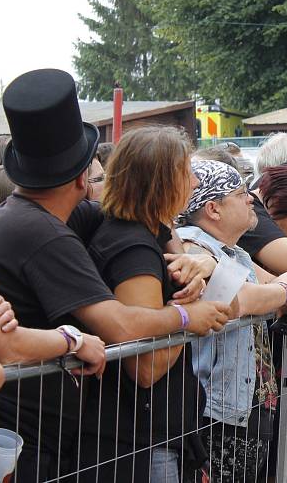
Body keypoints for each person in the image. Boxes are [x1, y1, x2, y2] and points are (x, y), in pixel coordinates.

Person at [0, 69, 229, 482]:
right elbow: (121, 326)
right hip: (28, 442)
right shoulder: (45, 235)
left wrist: (194, 256)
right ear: (84, 177)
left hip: (39, 435)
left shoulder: (39, 217)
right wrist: (189, 315)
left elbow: (147, 213)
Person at [80, 127, 224, 482]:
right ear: (162, 182)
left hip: (150, 436)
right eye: (185, 172)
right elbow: (147, 367)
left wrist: (204, 264)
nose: (193, 182)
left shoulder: (143, 234)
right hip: (145, 443)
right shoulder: (134, 248)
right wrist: (190, 315)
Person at [177, 160, 287, 481]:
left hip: (244, 408)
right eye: (241, 193)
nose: (251, 198)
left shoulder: (235, 253)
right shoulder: (192, 247)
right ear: (214, 209)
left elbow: (282, 282)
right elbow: (240, 299)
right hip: (214, 413)